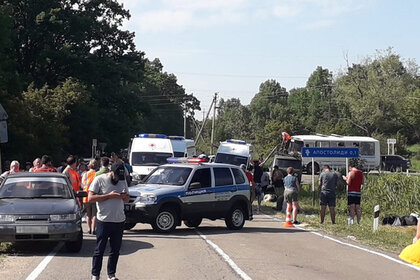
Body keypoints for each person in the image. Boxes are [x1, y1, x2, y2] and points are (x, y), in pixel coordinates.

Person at [89, 162, 129, 280]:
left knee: (115, 250)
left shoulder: (122, 180)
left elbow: (127, 199)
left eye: (120, 176)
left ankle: (111, 274)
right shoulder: (99, 179)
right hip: (104, 220)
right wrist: (109, 196)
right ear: (111, 171)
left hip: (119, 220)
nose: (118, 178)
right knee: (99, 250)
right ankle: (95, 274)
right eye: (116, 175)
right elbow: (90, 198)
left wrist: (123, 196)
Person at [82, 159, 99, 235]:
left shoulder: (85, 174)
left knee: (88, 214)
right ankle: (93, 229)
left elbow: (82, 184)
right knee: (94, 214)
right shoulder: (97, 174)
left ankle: (88, 229)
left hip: (86, 196)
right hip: (94, 196)